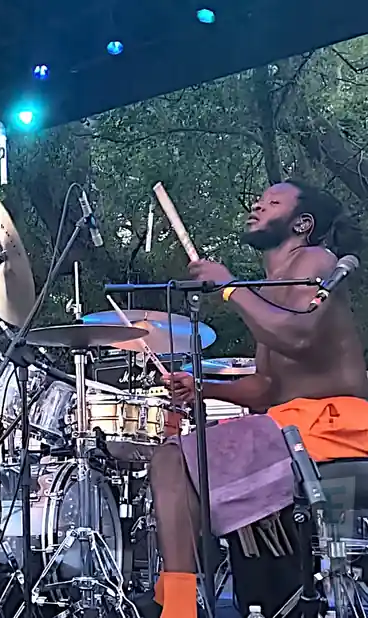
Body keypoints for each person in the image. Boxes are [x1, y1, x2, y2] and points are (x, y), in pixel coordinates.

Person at [151, 180, 368, 617]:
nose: (256, 204)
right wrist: (203, 387)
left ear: (302, 224)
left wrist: (231, 288)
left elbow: (301, 335)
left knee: (171, 462)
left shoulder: (316, 261)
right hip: (295, 426)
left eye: (272, 202)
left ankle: (178, 608)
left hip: (337, 427)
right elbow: (266, 387)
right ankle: (188, 600)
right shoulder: (270, 288)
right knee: (173, 460)